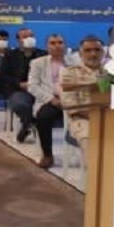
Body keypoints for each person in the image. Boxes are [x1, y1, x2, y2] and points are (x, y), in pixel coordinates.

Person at [0, 27, 46, 143]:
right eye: (25, 36)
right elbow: (4, 75)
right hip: (18, 89)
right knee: (19, 105)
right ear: (19, 40)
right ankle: (31, 123)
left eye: (31, 36)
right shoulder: (10, 55)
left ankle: (26, 126)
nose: (29, 39)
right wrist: (19, 84)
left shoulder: (43, 54)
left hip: (40, 90)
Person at [28, 33, 70, 168]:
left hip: (71, 101)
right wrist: (51, 99)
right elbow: (32, 86)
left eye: (60, 42)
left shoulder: (74, 62)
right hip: (50, 100)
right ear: (46, 46)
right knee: (43, 117)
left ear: (65, 45)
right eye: (53, 43)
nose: (57, 46)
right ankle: (47, 154)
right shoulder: (37, 63)